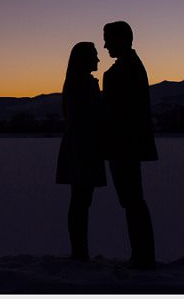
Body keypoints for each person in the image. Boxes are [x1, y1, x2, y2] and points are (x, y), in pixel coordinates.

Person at [101, 21, 157, 270]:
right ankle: (142, 254)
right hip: (124, 143)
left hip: (124, 144)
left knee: (132, 200)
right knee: (132, 200)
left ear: (121, 39)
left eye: (108, 39)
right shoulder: (129, 66)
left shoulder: (127, 69)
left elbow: (118, 111)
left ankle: (143, 256)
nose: (105, 45)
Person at [55, 41, 107, 261]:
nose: (98, 60)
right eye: (94, 56)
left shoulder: (77, 83)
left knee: (80, 201)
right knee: (81, 201)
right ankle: (80, 252)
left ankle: (80, 250)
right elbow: (89, 118)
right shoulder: (83, 84)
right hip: (83, 149)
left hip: (81, 147)